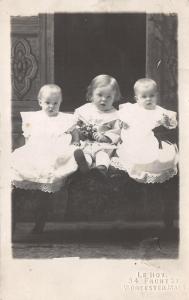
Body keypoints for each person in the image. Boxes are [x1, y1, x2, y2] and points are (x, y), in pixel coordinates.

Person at [12, 84, 79, 232]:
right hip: (36, 150)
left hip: (55, 151)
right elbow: (27, 137)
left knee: (54, 165)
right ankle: (12, 220)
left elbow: (74, 132)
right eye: (48, 103)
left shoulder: (65, 119)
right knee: (20, 162)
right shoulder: (34, 117)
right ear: (40, 102)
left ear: (60, 102)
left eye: (55, 103)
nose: (51, 107)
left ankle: (40, 220)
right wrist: (28, 147)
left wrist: (75, 141)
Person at [112, 78, 178, 183]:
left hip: (147, 139)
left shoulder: (158, 110)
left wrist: (166, 121)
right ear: (137, 98)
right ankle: (125, 166)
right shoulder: (132, 108)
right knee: (129, 153)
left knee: (149, 157)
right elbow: (122, 117)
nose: (148, 99)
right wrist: (122, 123)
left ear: (156, 95)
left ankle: (146, 170)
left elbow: (171, 124)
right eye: (144, 96)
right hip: (131, 137)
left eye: (151, 96)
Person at [73, 74, 121, 175]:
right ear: (91, 95)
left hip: (102, 145)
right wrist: (80, 133)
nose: (104, 99)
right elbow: (76, 124)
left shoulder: (115, 115)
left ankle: (101, 169)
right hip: (86, 143)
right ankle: (84, 164)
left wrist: (105, 138)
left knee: (102, 156)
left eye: (109, 97)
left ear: (115, 97)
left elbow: (117, 132)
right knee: (85, 154)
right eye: (100, 95)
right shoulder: (85, 109)